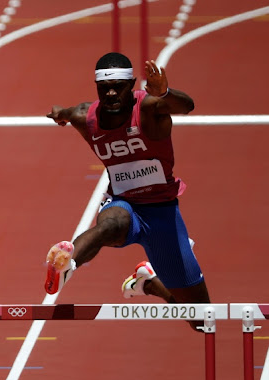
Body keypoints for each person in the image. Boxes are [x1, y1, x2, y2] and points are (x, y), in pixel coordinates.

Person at [44, 52, 209, 330]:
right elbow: (67, 112)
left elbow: (187, 106)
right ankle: (65, 266)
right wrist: (59, 114)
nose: (110, 92)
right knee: (111, 224)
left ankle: (149, 283)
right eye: (104, 87)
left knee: (203, 321)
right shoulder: (86, 117)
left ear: (131, 85)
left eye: (118, 86)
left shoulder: (149, 109)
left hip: (162, 214)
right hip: (124, 204)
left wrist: (165, 92)